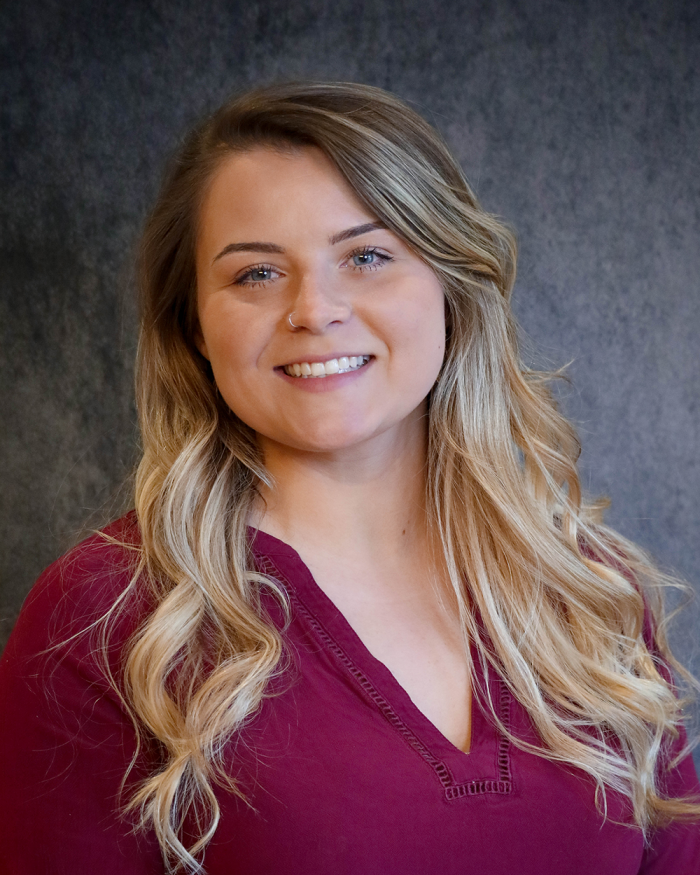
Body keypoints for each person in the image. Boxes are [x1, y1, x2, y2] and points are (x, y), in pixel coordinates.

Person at [0, 81, 698, 875]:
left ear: (450, 284)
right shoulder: (101, 622)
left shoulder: (585, 595)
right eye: (257, 274)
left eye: (367, 256)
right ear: (194, 323)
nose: (315, 308)